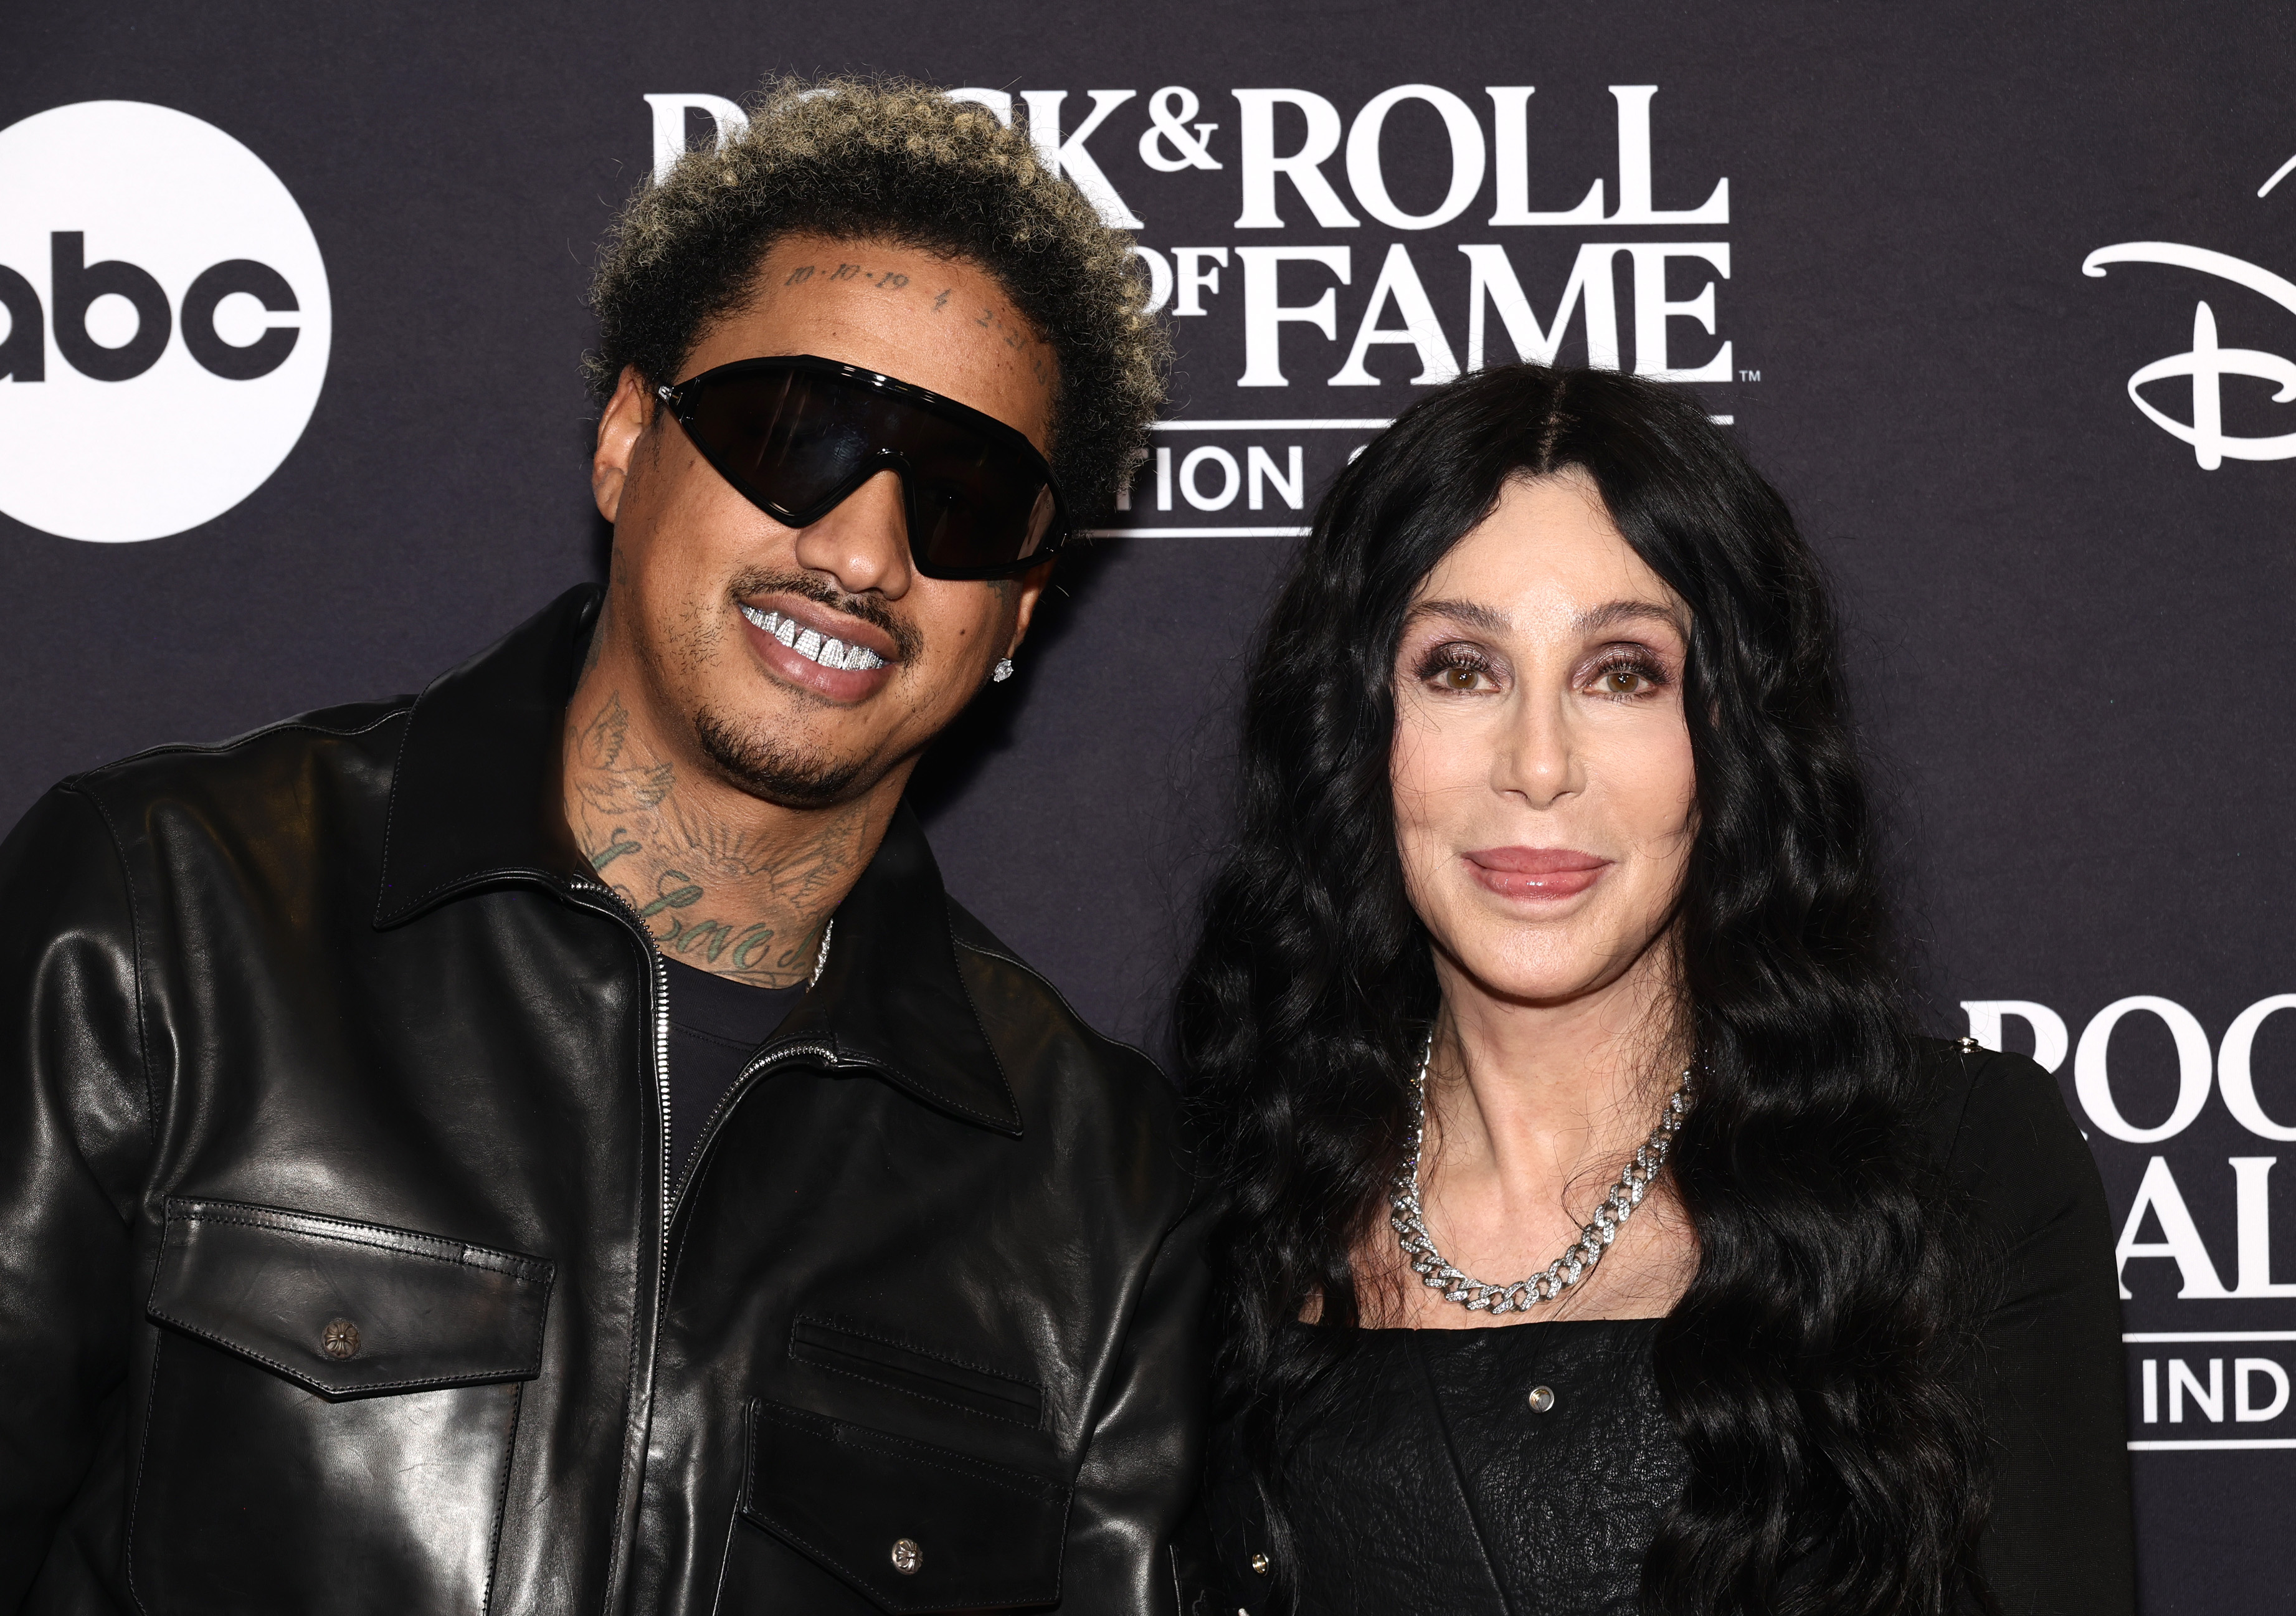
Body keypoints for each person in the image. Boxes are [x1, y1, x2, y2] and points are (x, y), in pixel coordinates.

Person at [0, 79, 1205, 1615]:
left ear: (1021, 607)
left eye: (964, 500)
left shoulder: (1099, 1187)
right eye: (799, 433)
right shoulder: (166, 917)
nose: (858, 550)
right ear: (630, 440)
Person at [1173, 364, 2134, 1616]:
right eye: (1460, 668)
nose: (1536, 765)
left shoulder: (1957, 1166)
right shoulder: (1204, 1209)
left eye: (1620, 673)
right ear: (1354, 726)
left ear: (1727, 734)